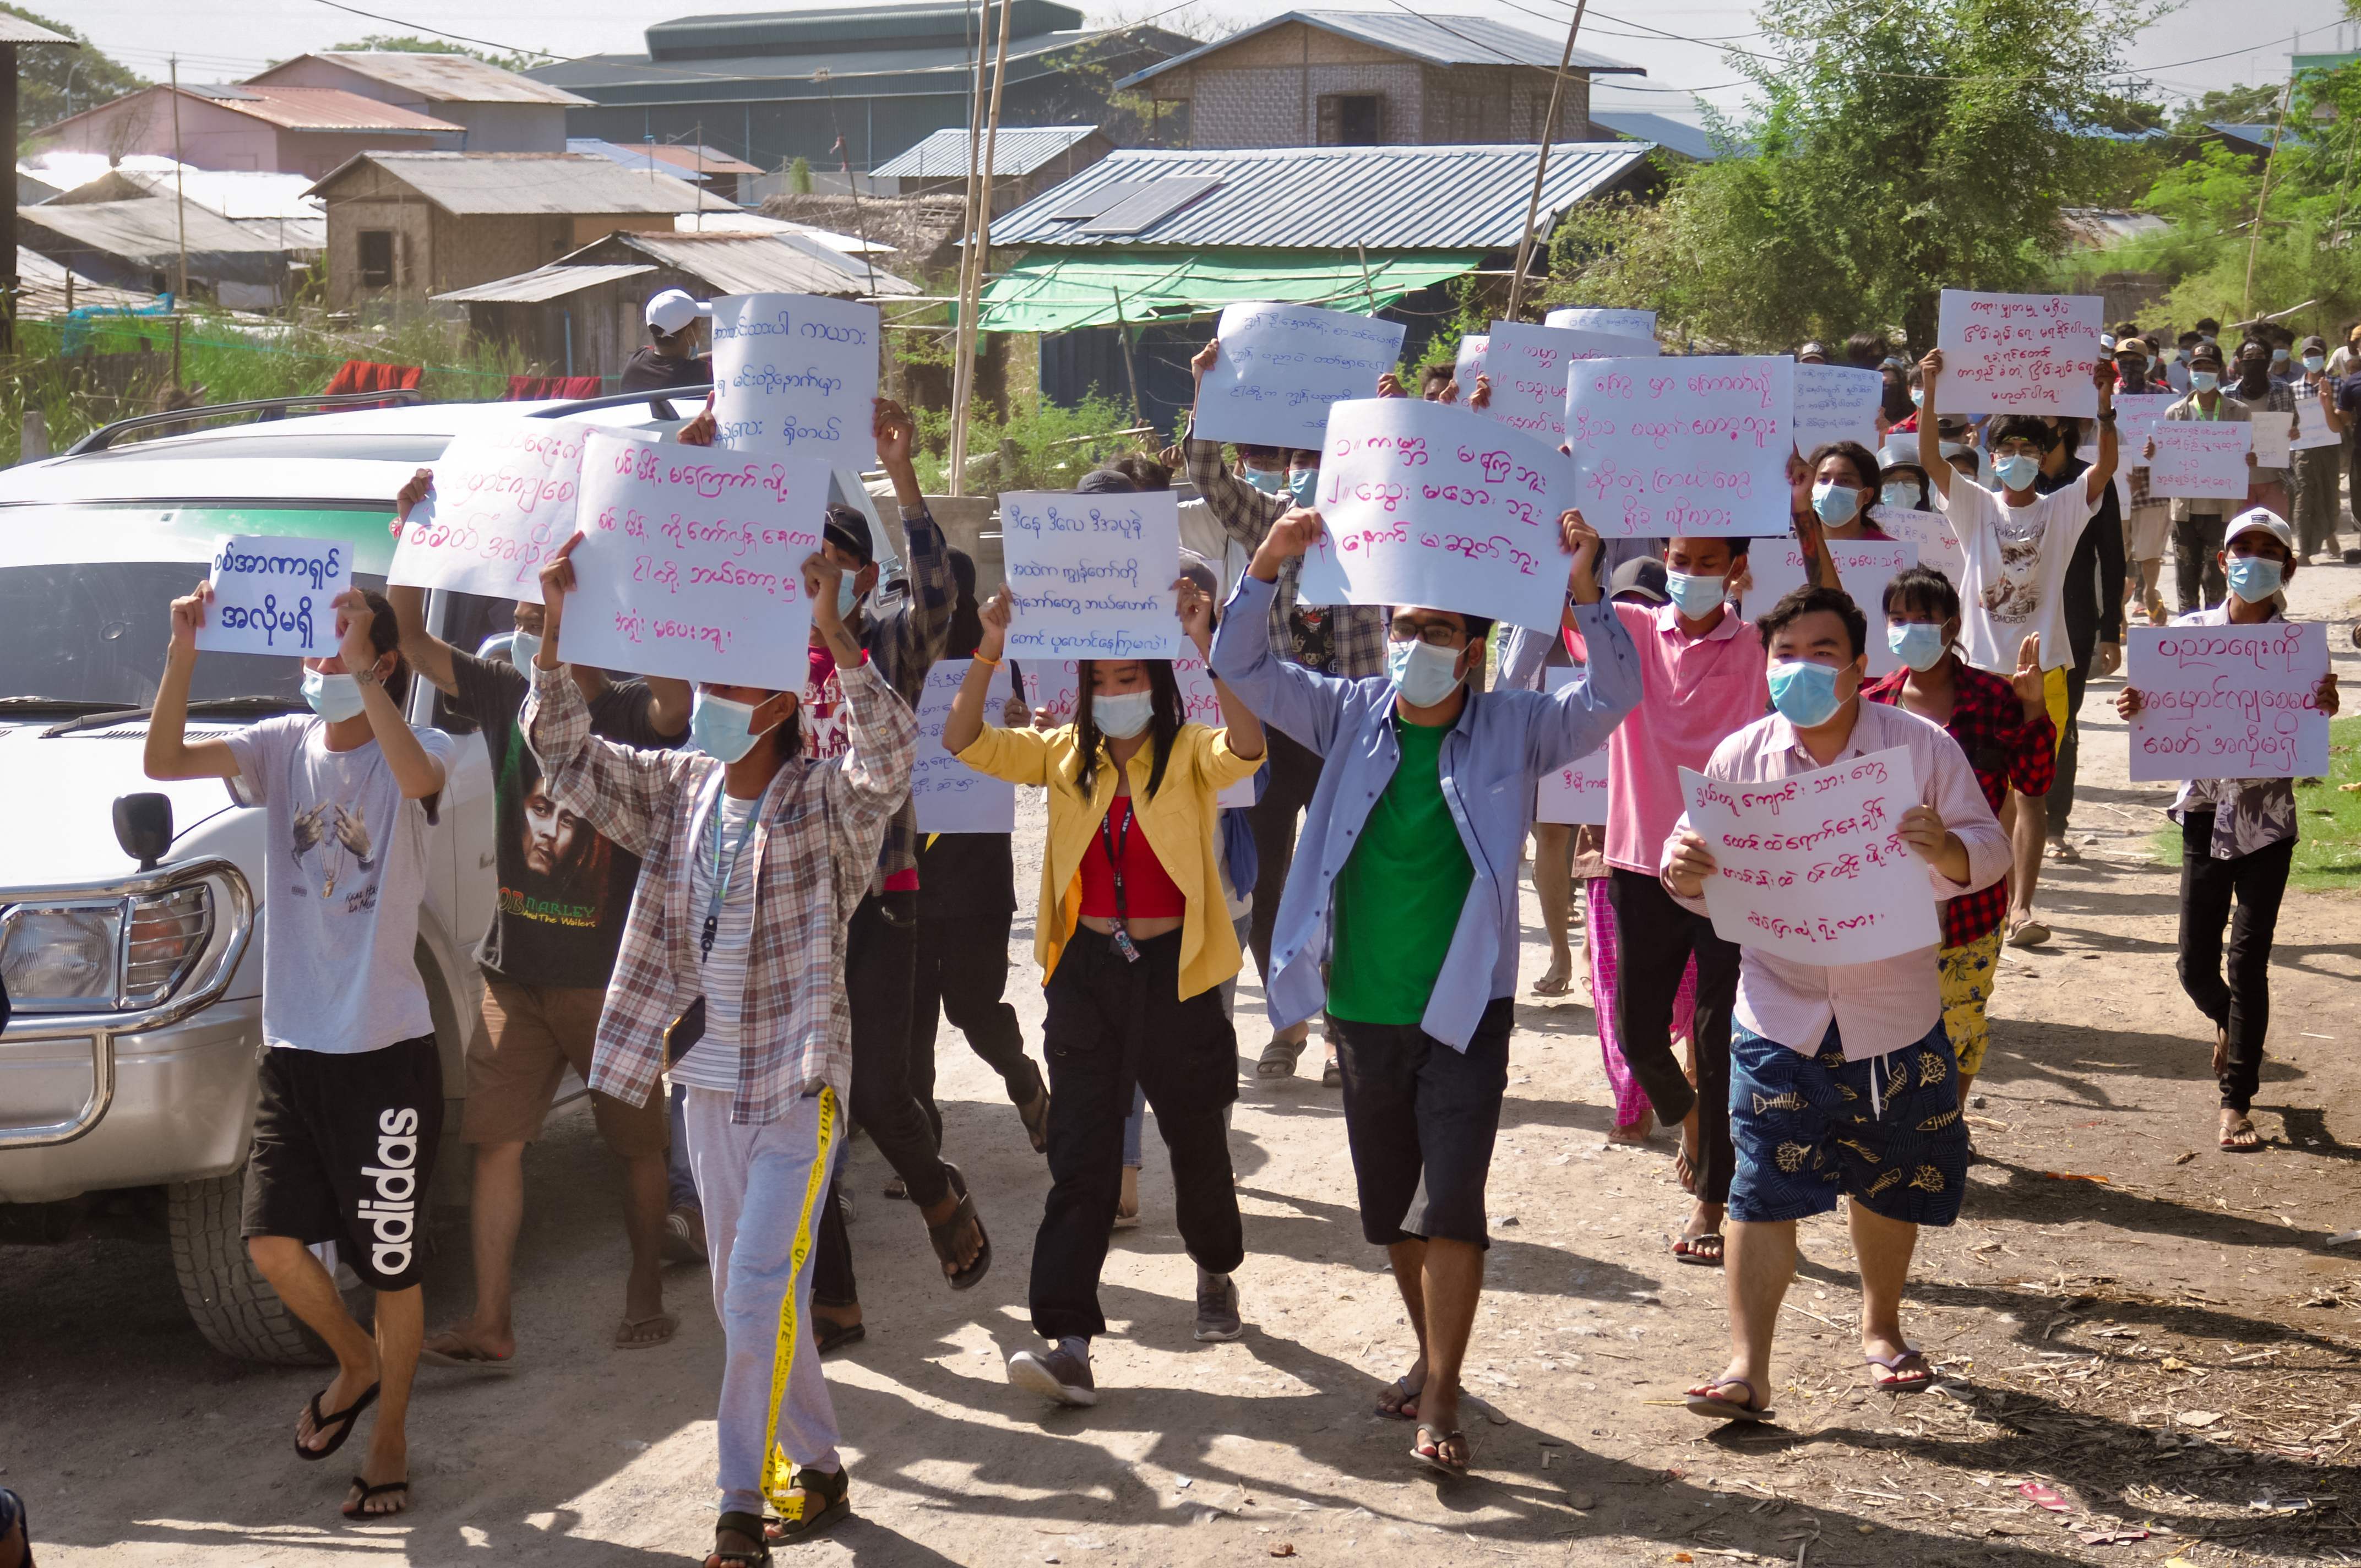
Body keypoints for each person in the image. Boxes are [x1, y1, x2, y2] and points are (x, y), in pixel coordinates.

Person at [1211, 504, 1640, 1475]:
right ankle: (1430, 1346)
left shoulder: (1515, 727)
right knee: (1388, 1212)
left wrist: (1586, 594)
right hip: (1360, 1006)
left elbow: (1614, 696)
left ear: (1474, 648)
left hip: (1463, 1009)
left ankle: (1443, 1387)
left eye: (1438, 631)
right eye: (1404, 627)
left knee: (1450, 1202)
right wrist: (1269, 568)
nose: (1415, 645)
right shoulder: (1346, 711)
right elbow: (1239, 667)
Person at [527, 530, 914, 1561]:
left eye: (733, 678)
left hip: (797, 1086)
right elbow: (562, 755)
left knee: (753, 1294)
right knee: (750, 1299)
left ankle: (738, 1502)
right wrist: (558, 640)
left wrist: (834, 628)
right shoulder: (677, 788)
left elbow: (890, 759)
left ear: (781, 703)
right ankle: (822, 1464)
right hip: (705, 1084)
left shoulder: (825, 803)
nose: (706, 694)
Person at [145, 584, 457, 1521]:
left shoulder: (419, 748)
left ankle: (393, 1435)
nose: (323, 663)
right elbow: (164, 758)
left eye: (347, 645)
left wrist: (365, 674)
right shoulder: (281, 746)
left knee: (392, 1266)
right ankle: (354, 1360)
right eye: (317, 649)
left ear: (383, 660)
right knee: (270, 1242)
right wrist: (185, 649)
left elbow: (417, 781)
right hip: (295, 1048)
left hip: (386, 1052)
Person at [1666, 584, 2008, 1423]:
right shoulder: (1739, 761)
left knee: (1891, 1181)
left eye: (1822, 654)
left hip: (1894, 1012)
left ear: (1860, 666)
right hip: (1777, 1013)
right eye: (1786, 654)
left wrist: (1947, 847)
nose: (1801, 669)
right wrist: (1685, 876)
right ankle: (1748, 1368)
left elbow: (1991, 851)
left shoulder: (1921, 748)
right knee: (1760, 1188)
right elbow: (1711, 891)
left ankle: (1882, 1328)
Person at [683, 399, 982, 1341]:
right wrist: (697, 473)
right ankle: (834, 1297)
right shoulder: (756, 654)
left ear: (859, 576)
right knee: (811, 1100)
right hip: (787, 903)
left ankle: (938, 1196)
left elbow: (939, 595)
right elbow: (680, 589)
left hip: (879, 897)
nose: (813, 576)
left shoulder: (887, 638)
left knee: (883, 1090)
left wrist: (899, 473)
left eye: (834, 563)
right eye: (801, 562)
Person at [380, 470, 692, 1368]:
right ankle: (491, 1317)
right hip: (511, 972)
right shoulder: (497, 693)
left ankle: (643, 1287)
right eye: (528, 610)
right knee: (496, 1144)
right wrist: (421, 531)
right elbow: (405, 636)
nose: (527, 621)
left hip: (607, 979)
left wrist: (653, 563)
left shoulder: (633, 710)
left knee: (634, 1147)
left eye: (546, 612)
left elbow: (680, 700)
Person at [946, 571, 1267, 1405]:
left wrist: (1207, 643)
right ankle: (1070, 1342)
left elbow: (1251, 747)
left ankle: (1215, 1271)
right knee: (1082, 1158)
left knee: (1196, 1142)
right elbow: (965, 743)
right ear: (1082, 689)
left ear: (1155, 685)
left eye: (1130, 679)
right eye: (1100, 680)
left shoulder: (1191, 749)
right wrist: (990, 645)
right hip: (1087, 979)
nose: (1115, 693)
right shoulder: (1062, 756)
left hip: (1180, 978)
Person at [1184, 337, 1391, 1085]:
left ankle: (1344, 1031)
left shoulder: (1384, 523)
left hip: (1354, 725)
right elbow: (1206, 471)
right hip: (1274, 723)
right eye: (1304, 461)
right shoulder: (1269, 518)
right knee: (1268, 877)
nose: (1310, 474)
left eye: (1325, 458)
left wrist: (1400, 418)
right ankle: (1287, 1024)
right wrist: (1207, 391)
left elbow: (1436, 493)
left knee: (1349, 878)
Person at [2116, 510, 2340, 1153]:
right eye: (2242, 549)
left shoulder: (2300, 648)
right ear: (2221, 562)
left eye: (2269, 552)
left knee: (2249, 960)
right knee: (2194, 963)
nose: (2253, 560)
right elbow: (2150, 706)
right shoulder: (2183, 637)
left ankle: (2235, 1102)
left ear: (2287, 570)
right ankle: (2232, 1025)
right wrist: (2136, 704)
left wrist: (2323, 705)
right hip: (2204, 812)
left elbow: (2312, 716)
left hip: (2268, 820)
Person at [1916, 347, 2116, 949]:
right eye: (2007, 452)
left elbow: (2103, 469)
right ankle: (1981, 895)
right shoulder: (1975, 505)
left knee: (2032, 792)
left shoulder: (2061, 510)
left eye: (2030, 451)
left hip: (2043, 670)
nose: (2019, 461)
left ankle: (2022, 909)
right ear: (1992, 459)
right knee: (1979, 792)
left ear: (2043, 458)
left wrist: (2104, 403)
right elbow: (1929, 457)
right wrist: (1929, 389)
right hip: (1977, 671)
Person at [1863, 567, 2056, 1118]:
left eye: (1923, 618)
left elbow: (2034, 783)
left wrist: (2033, 710)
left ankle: (1948, 1120)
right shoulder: (1871, 702)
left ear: (1951, 625)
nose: (1909, 629)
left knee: (1962, 1023)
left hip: (1971, 907)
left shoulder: (1994, 698)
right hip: (1886, 906)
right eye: (1898, 618)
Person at [902, 547, 1052, 1213]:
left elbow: (1042, 726)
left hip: (976, 876)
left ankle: (1025, 1083)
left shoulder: (1000, 661)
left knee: (971, 1006)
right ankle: (922, 1155)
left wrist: (1022, 718)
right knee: (910, 1021)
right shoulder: (891, 664)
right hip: (904, 875)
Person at [2037, 414, 2125, 868]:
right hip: (2015, 623)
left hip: (2073, 620)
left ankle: (2055, 825)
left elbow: (2112, 558)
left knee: (2062, 725)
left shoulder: (2092, 479)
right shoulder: (2012, 479)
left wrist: (2112, 630)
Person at [2152, 342, 2255, 613]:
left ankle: (2215, 630)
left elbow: (2247, 456)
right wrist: (2154, 453)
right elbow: (2165, 460)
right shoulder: (2174, 414)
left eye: (2210, 368)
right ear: (2189, 371)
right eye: (2198, 368)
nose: (2203, 374)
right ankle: (2188, 625)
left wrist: (2249, 460)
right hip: (2184, 510)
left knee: (2216, 576)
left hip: (2221, 509)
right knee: (2186, 576)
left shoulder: (2239, 412)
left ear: (2220, 371)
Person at [2226, 339, 2298, 520]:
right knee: (2242, 539)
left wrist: (2293, 433)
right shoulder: (2226, 395)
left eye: (2260, 357)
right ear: (2239, 362)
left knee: (2276, 536)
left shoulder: (2283, 390)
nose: (2254, 361)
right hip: (2238, 484)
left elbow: (2293, 423)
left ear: (2268, 361)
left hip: (2275, 479)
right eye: (2249, 357)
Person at [2292, 337, 2344, 563]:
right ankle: (2305, 550)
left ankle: (2330, 532)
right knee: (2304, 495)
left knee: (2330, 494)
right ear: (2302, 358)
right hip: (2303, 450)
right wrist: (2291, 430)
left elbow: (2343, 419)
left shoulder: (2337, 385)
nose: (2312, 359)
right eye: (2308, 355)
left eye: (2317, 355)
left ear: (2324, 357)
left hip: (2330, 448)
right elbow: (2289, 420)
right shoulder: (2292, 389)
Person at [619, 288, 714, 394]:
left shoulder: (637, 359)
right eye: (699, 324)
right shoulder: (699, 373)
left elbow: (671, 362)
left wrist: (712, 356)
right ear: (688, 333)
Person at [1806, 440, 1891, 541]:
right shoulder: (1792, 547)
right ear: (1811, 491)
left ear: (1867, 495)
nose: (1831, 488)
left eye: (1845, 481)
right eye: (1824, 480)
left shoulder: (1891, 551)